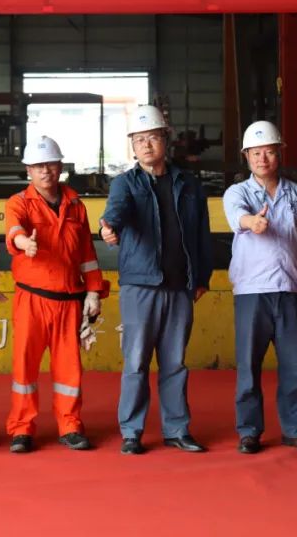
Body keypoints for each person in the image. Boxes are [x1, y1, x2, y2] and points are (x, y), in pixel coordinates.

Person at [100, 105, 214, 455]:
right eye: (139, 140)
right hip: (141, 286)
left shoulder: (189, 184)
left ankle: (177, 429)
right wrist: (109, 227)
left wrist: (202, 277)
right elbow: (116, 211)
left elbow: (202, 233)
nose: (146, 145)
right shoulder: (125, 183)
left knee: (175, 363)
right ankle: (132, 432)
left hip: (180, 286)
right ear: (132, 146)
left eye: (152, 137)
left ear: (166, 139)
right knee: (136, 362)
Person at [223, 120, 297, 454]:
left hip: (290, 287)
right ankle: (249, 432)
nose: (262, 158)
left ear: (279, 153)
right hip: (252, 291)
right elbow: (237, 217)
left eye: (268, 151)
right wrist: (253, 222)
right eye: (255, 153)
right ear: (246, 156)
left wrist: (292, 264)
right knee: (248, 365)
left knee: (292, 364)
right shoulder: (238, 193)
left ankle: (296, 429)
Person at [4, 136, 107, 454]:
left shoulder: (76, 206)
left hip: (68, 302)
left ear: (60, 166)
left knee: (69, 370)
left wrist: (93, 291)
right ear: (28, 171)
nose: (45, 171)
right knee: (25, 367)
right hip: (32, 300)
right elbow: (14, 230)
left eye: (50, 164)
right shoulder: (18, 203)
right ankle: (22, 429)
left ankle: (70, 425)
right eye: (38, 166)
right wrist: (24, 243)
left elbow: (87, 254)